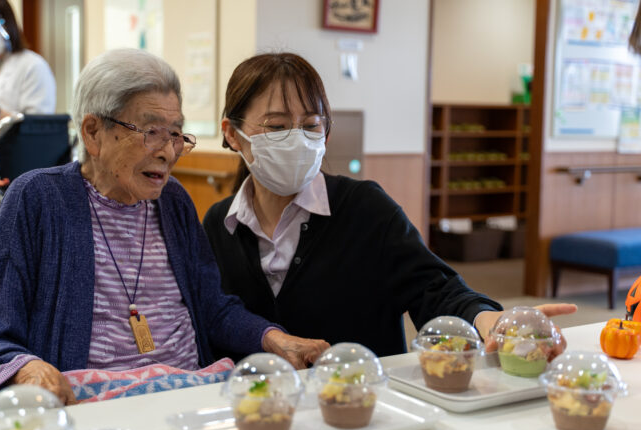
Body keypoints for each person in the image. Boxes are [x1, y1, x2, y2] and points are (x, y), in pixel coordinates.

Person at [0, 49, 329, 405]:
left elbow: (212, 308)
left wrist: (275, 339)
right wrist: (27, 370)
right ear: (93, 133)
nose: (168, 152)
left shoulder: (173, 202)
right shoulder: (39, 198)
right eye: (152, 132)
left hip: (190, 399)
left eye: (176, 134)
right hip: (92, 411)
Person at [202, 52, 576, 359]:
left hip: (361, 409)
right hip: (262, 417)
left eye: (311, 126)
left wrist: (487, 318)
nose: (297, 139)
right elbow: (213, 319)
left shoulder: (364, 208)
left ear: (326, 133)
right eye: (277, 126)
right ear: (232, 134)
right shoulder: (219, 225)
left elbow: (435, 287)